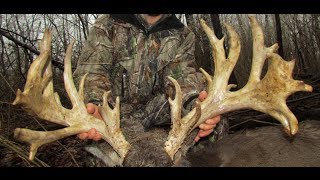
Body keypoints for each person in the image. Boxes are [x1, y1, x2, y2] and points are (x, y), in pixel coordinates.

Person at [73, 14, 221, 143]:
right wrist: (97, 106)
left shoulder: (181, 33)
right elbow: (91, 73)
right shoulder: (108, 24)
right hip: (118, 115)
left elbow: (181, 81)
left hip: (160, 111)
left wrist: (194, 107)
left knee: (217, 126)